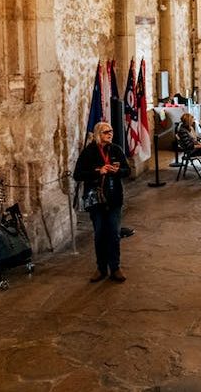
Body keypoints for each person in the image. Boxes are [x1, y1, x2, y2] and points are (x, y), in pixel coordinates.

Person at [73, 121, 130, 283]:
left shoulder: (116, 150)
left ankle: (115, 267)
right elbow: (78, 175)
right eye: (106, 132)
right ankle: (101, 268)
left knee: (114, 234)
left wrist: (117, 171)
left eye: (111, 131)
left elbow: (127, 171)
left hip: (114, 198)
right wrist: (99, 171)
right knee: (100, 234)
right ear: (98, 134)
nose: (110, 134)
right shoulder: (89, 152)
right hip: (96, 200)